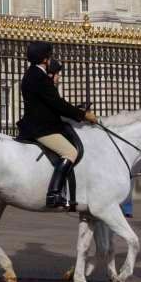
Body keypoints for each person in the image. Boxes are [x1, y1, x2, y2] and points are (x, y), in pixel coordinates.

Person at [18, 41, 98, 209]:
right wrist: (83, 115)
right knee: (70, 152)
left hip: (40, 124)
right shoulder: (39, 77)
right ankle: (54, 193)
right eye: (49, 56)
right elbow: (58, 104)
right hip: (42, 128)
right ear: (45, 59)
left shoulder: (31, 74)